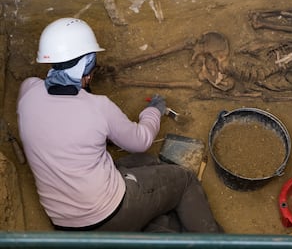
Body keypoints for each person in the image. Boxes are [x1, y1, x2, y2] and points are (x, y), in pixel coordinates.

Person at [17, 17, 222, 233]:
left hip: (64, 223)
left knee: (146, 162)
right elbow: (141, 140)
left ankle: (157, 227)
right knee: (184, 180)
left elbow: (61, 116)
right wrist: (154, 110)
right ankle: (216, 242)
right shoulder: (98, 108)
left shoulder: (28, 91)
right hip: (109, 213)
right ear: (87, 64)